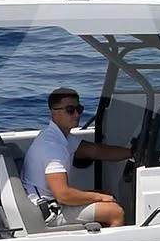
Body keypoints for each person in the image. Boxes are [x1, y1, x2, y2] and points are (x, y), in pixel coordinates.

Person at [23, 86, 129, 228]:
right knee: (115, 212)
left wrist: (131, 152)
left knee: (104, 194)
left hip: (47, 202)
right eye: (70, 110)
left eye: (79, 109)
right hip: (47, 212)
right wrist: (100, 198)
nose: (76, 115)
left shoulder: (60, 137)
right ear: (54, 114)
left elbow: (97, 151)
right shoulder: (52, 147)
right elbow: (63, 195)